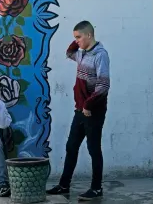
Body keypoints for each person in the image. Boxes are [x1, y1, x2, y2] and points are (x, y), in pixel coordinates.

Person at [47, 21, 110, 201]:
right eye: (75, 38)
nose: (76, 41)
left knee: (93, 149)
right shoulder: (81, 54)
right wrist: (78, 42)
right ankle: (64, 185)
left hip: (93, 111)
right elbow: (69, 53)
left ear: (89, 35)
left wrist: (89, 106)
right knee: (71, 147)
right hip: (80, 110)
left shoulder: (101, 55)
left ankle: (97, 188)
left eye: (79, 37)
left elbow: (103, 85)